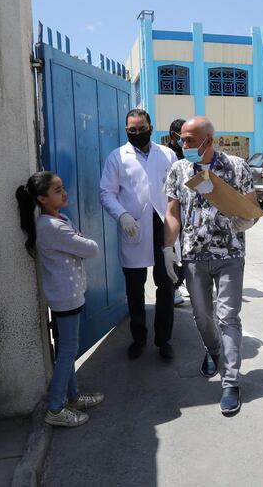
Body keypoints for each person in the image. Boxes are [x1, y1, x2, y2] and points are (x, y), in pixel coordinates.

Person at [162, 116, 259, 415]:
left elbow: (250, 208)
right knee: (203, 317)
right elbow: (173, 212)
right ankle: (214, 351)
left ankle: (230, 381)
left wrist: (247, 220)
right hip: (194, 256)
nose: (183, 144)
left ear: (209, 140)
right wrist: (167, 247)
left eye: (190, 140)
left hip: (229, 254)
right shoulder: (178, 170)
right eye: (181, 139)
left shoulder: (236, 167)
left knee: (228, 316)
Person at [16, 171, 104, 427]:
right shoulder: (51, 226)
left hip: (68, 294)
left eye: (62, 187)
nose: (64, 193)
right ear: (42, 199)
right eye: (57, 191)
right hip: (65, 297)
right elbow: (91, 249)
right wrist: (83, 238)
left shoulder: (57, 220)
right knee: (67, 351)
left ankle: (72, 396)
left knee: (68, 348)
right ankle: (55, 408)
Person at [100, 109, 178, 360]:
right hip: (133, 227)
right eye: (132, 130)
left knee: (166, 286)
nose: (137, 133)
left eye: (141, 128)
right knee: (135, 289)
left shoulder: (167, 154)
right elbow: (106, 193)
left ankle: (163, 340)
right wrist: (121, 215)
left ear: (151, 127)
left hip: (163, 226)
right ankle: (139, 338)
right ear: (126, 131)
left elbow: (179, 191)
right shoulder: (117, 157)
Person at [167, 118, 189, 304]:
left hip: (189, 208)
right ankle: (174, 287)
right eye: (182, 137)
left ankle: (184, 280)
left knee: (187, 247)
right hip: (173, 208)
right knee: (174, 247)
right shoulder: (168, 154)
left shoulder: (188, 152)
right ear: (174, 135)